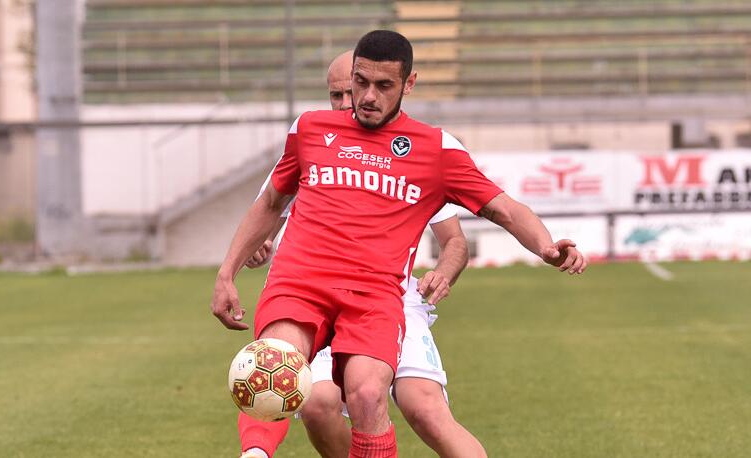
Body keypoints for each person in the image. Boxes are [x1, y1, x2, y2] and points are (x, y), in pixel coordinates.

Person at [212, 30, 587, 458]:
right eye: (360, 82)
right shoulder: (311, 129)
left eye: (384, 86)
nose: (368, 96)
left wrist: (545, 246)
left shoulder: (436, 150)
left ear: (409, 84)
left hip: (374, 295)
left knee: (369, 395)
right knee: (273, 363)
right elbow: (271, 202)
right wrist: (227, 272)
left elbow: (503, 208)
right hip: (300, 282)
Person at [236, 50, 487, 458]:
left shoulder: (416, 151)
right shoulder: (313, 140)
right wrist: (256, 249)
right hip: (315, 295)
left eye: (350, 93)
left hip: (391, 297)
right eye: (336, 94)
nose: (345, 104)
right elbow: (268, 212)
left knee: (423, 407)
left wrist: (445, 269)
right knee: (314, 402)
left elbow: (454, 240)